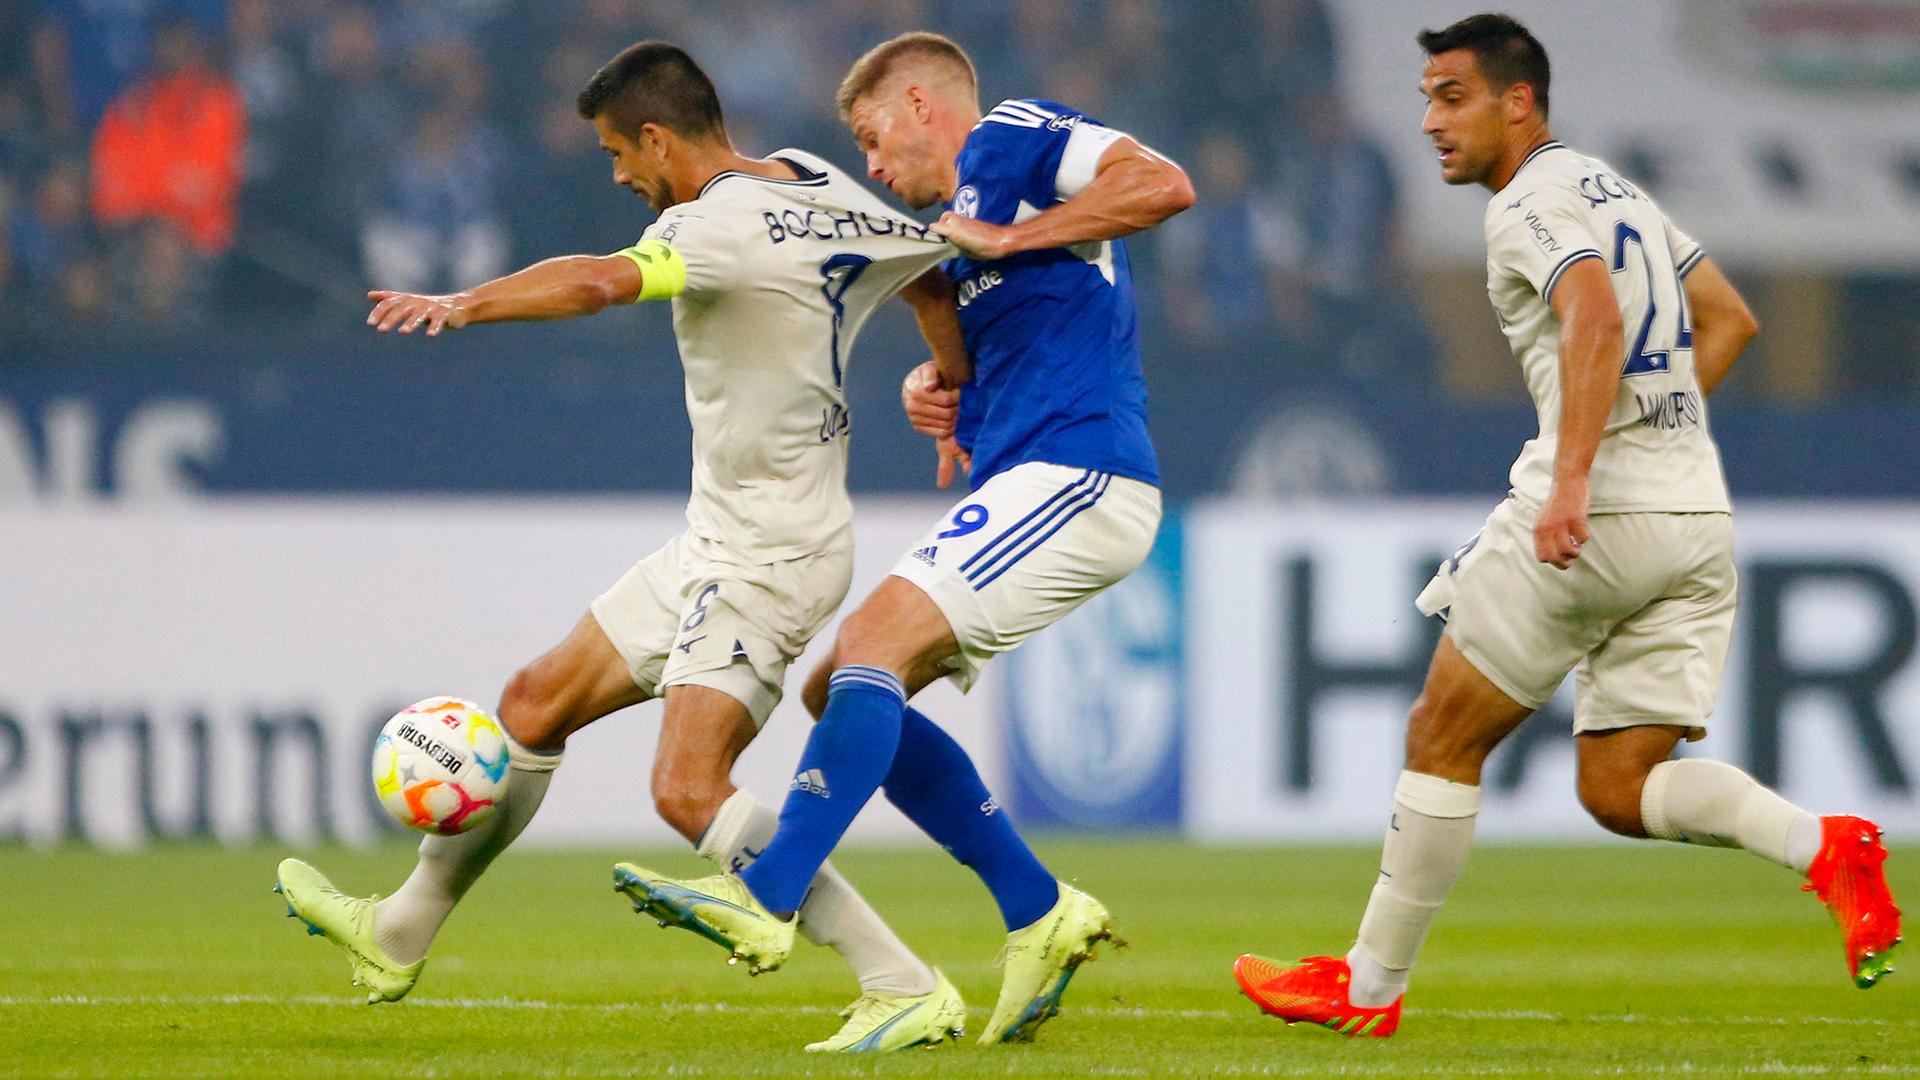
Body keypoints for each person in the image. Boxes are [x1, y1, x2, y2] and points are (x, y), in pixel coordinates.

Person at [273, 40, 974, 1054]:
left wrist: (466, 301)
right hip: (722, 538)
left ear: (657, 137)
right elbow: (930, 281)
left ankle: (901, 980)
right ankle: (398, 931)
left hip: (769, 553)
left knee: (688, 789)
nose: (618, 177)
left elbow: (601, 283)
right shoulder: (816, 182)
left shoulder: (712, 224)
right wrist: (949, 390)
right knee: (533, 701)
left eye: (617, 154)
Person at [1232, 13, 1902, 1038]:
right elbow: (1729, 317)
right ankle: (1826, 846)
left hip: (1595, 516)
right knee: (1620, 786)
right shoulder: (1612, 187)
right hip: (1691, 517)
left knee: (1441, 733)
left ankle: (1366, 990)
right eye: (1424, 99)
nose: (1430, 121)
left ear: (1518, 103)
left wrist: (1580, 476)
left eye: (1451, 97)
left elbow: (1594, 315)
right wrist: (1653, 440)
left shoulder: (1527, 205)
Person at [613, 31, 1194, 1046]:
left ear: (925, 105)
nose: (874, 166)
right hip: (1038, 474)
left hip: (1086, 471)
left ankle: (773, 890)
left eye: (873, 138)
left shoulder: (1015, 140)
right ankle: (1037, 908)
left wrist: (1017, 239)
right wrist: (944, 392)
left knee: (872, 647)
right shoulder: (947, 231)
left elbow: (1162, 184)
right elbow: (1003, 341)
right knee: (838, 682)